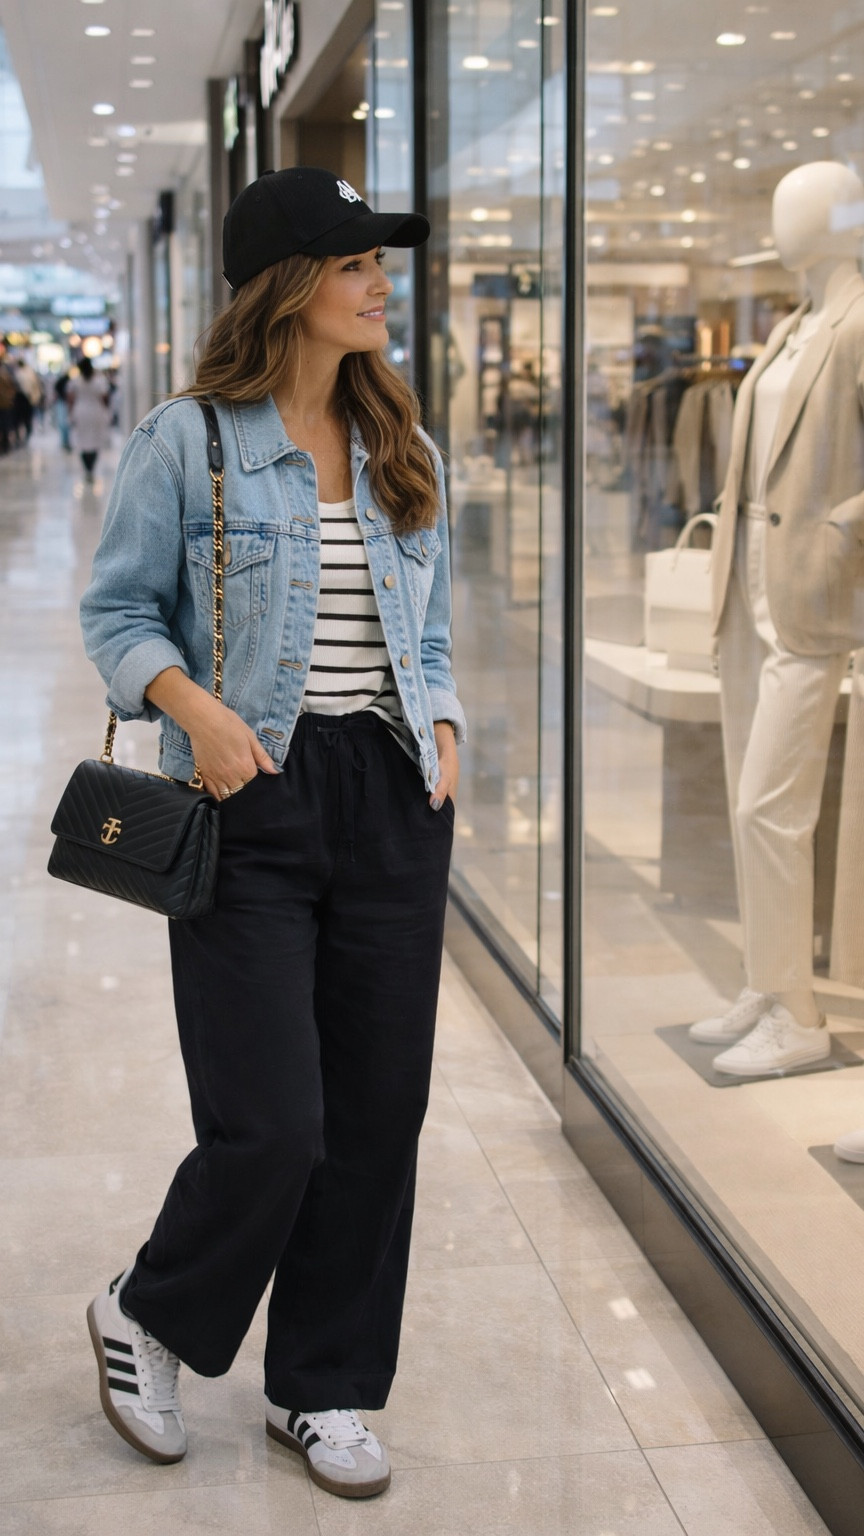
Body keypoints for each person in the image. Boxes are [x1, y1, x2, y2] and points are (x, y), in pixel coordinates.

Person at [79, 166, 465, 1499]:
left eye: (380, 262)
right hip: (251, 795)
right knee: (275, 1123)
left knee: (377, 1114)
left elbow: (429, 631)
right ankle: (149, 1309)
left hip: (394, 798)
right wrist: (200, 710)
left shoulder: (402, 437)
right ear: (288, 285)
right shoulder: (188, 439)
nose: (379, 282)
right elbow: (118, 617)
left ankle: (327, 1385)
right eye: (356, 262)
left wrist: (448, 724)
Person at [689, 162, 864, 1076]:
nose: (780, 217)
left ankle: (801, 1017)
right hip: (746, 588)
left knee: (772, 809)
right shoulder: (793, 324)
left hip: (812, 594)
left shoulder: (860, 320)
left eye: (799, 201)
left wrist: (845, 525)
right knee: (743, 797)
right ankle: (768, 981)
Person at [68, 355, 111, 482]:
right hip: (96, 412)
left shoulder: (76, 381)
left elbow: (70, 398)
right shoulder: (99, 380)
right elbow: (104, 398)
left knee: (82, 440)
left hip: (80, 412)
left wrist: (70, 413)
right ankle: (91, 467)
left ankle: (87, 468)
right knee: (95, 439)